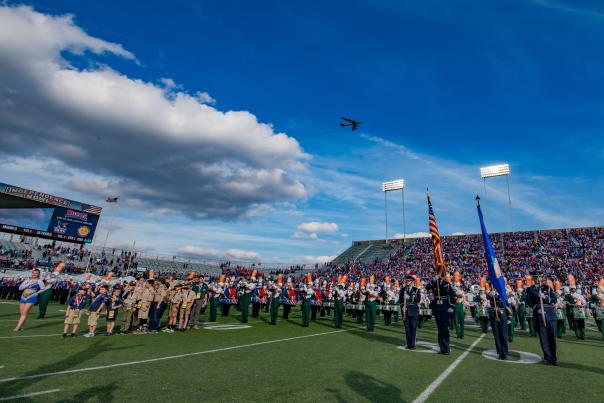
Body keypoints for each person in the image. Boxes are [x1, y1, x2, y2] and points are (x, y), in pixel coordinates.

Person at [525, 270, 558, 365]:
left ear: (542, 278)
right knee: (543, 337)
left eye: (539, 277)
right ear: (533, 279)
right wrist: (536, 307)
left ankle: (554, 357)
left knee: (552, 336)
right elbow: (528, 301)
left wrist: (546, 298)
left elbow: (554, 299)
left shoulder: (547, 288)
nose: (537, 279)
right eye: (535, 277)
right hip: (539, 313)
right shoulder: (530, 289)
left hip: (550, 313)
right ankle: (547, 357)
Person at [426, 275, 456, 355]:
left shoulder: (447, 284)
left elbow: (452, 295)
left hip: (445, 306)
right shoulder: (434, 283)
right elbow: (427, 287)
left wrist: (452, 306)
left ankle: (447, 347)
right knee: (440, 328)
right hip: (436, 306)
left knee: (445, 328)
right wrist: (433, 280)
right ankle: (442, 348)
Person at [399, 274, 421, 349]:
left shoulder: (416, 289)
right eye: (407, 281)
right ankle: (408, 344)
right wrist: (402, 306)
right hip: (405, 311)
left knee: (413, 328)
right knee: (407, 328)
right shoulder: (403, 290)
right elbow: (400, 300)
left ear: (412, 282)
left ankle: (413, 344)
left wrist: (410, 297)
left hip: (414, 310)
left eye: (409, 281)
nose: (407, 282)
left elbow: (418, 299)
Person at [487, 288, 508, 360]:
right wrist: (490, 295)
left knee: (503, 335)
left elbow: (507, 304)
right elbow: (487, 299)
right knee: (497, 335)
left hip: (502, 315)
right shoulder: (491, 293)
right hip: (493, 315)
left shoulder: (503, 291)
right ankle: (500, 352)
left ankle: (504, 352)